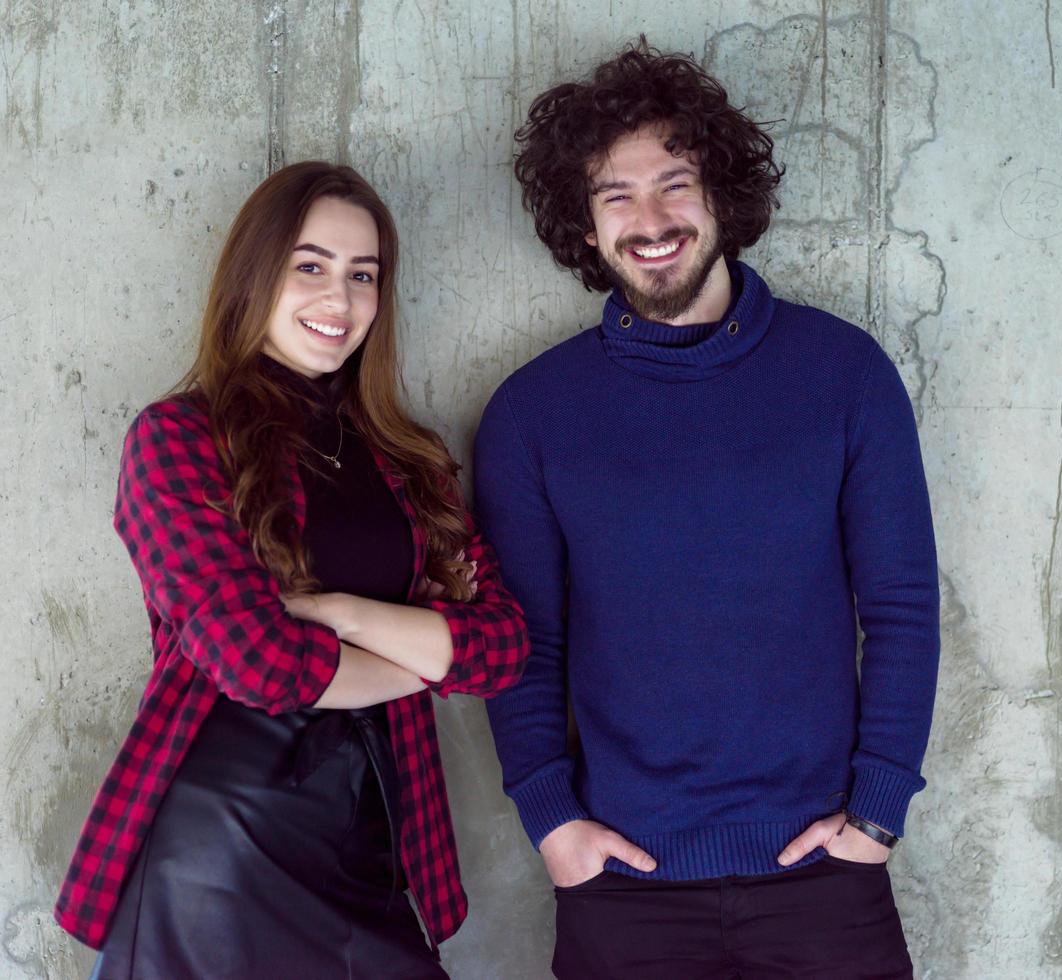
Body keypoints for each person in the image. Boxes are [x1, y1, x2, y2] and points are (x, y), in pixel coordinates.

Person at [474, 40, 940, 979]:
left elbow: (898, 607)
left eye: (674, 183)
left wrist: (878, 811)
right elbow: (520, 640)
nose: (650, 220)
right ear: (585, 223)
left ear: (721, 193)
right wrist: (552, 822)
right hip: (620, 886)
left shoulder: (844, 376)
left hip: (823, 878)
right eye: (616, 195)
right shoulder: (532, 412)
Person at [54, 161, 529, 979]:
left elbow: (501, 650)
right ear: (254, 274)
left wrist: (342, 613)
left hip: (374, 840)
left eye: (362, 275)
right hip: (220, 850)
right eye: (309, 266)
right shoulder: (177, 439)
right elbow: (261, 663)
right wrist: (425, 656)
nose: (337, 302)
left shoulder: (410, 461)